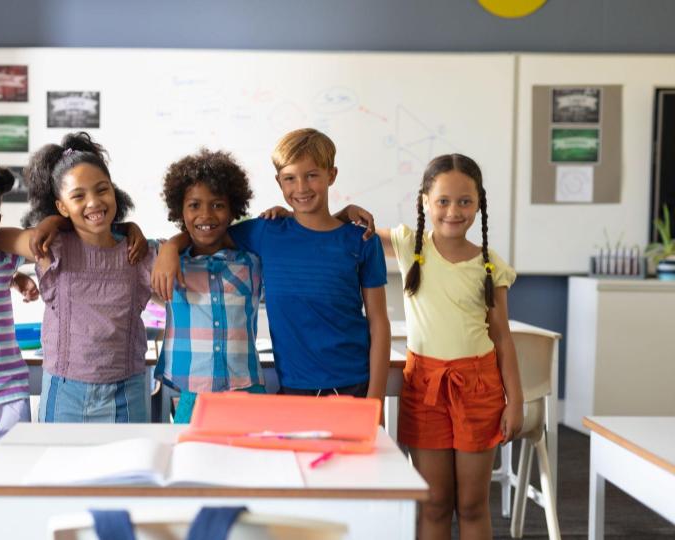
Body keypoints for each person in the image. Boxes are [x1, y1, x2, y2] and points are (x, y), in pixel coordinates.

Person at [153, 128, 390, 406]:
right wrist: (171, 246)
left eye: (312, 175)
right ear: (279, 182)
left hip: (355, 385)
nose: (301, 187)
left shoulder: (361, 240)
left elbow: (379, 322)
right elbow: (206, 235)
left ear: (332, 175)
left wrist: (375, 399)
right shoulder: (266, 233)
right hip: (294, 389)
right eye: (290, 178)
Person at [363, 153, 523, 539]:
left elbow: (501, 336)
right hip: (425, 389)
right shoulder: (408, 244)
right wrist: (350, 210)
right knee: (433, 502)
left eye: (465, 201)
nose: (454, 211)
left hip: (479, 388)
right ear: (424, 202)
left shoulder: (489, 264)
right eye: (443, 201)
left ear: (479, 203)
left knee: (470, 504)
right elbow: (355, 230)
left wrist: (515, 401)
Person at [0, 132, 154, 422]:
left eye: (102, 190)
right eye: (78, 196)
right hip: (64, 392)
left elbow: (184, 255)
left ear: (113, 193)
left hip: (126, 392)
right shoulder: (50, 246)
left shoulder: (136, 251)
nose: (93, 202)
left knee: (126, 468)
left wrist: (133, 228)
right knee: (59, 466)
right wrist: (52, 222)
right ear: (62, 206)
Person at [155, 149, 266, 422]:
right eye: (194, 205)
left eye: (217, 205)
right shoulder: (168, 262)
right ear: (180, 210)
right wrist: (171, 246)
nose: (206, 215)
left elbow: (293, 226)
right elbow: (121, 235)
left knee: (251, 461)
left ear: (233, 210)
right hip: (193, 396)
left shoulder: (252, 262)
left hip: (248, 392)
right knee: (189, 461)